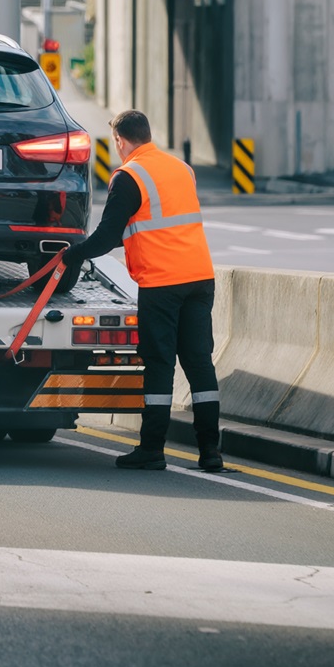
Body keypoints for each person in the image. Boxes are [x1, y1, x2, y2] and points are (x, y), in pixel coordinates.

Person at [60, 110, 223, 472]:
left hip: (162, 284)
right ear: (147, 134)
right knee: (199, 364)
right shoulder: (182, 169)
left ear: (120, 141)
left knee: (160, 364)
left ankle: (152, 449)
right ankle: (211, 452)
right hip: (199, 278)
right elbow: (153, 224)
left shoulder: (129, 176)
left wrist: (71, 255)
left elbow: (105, 236)